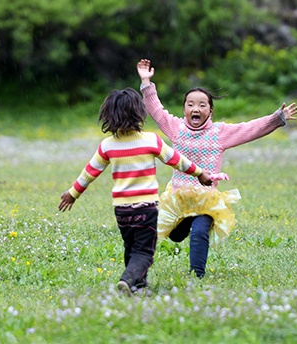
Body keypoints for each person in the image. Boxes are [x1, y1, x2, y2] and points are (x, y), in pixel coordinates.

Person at [137, 58, 297, 278]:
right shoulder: (176, 128)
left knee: (200, 231)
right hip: (179, 198)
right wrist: (146, 82)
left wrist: (277, 118)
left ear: (210, 111)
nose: (196, 108)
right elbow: (156, 110)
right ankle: (184, 223)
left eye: (202, 105)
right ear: (184, 109)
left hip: (206, 199)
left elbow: (250, 129)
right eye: (191, 104)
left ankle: (197, 276)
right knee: (175, 236)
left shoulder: (219, 133)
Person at [58, 87, 217, 296]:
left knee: (131, 246)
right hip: (146, 208)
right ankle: (128, 279)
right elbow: (177, 160)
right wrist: (200, 173)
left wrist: (72, 193)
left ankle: (137, 286)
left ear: (109, 115)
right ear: (139, 113)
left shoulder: (107, 145)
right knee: (144, 252)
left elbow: (89, 172)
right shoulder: (151, 140)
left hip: (121, 210)